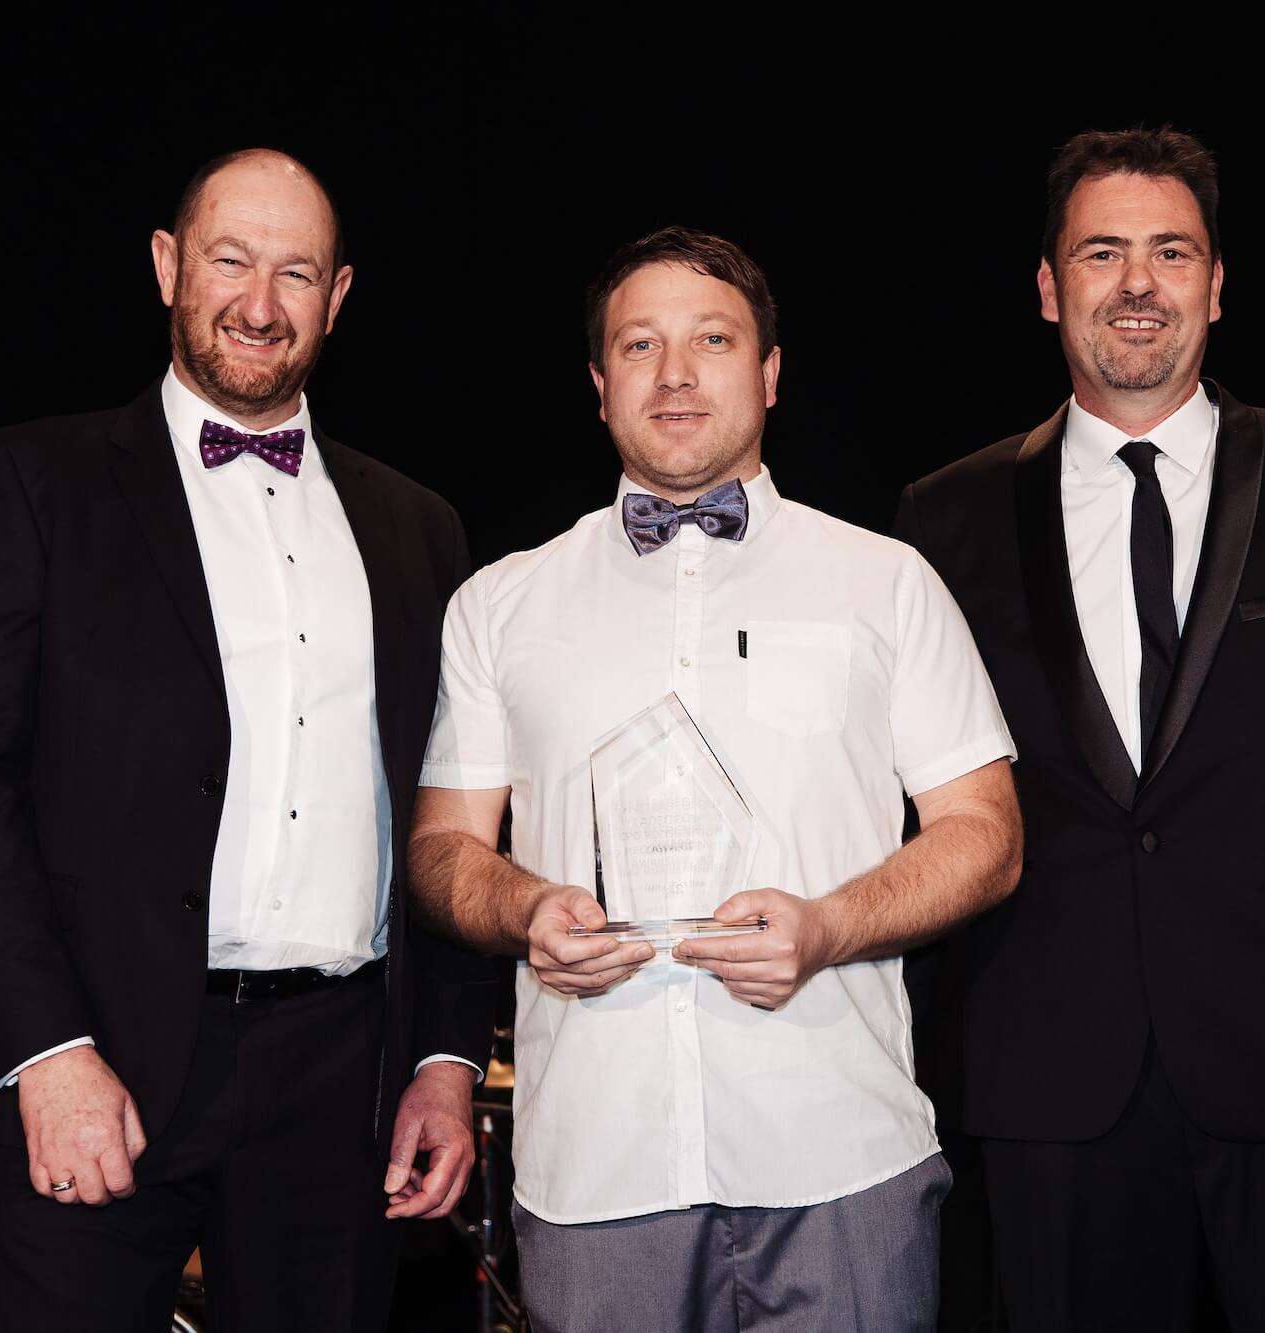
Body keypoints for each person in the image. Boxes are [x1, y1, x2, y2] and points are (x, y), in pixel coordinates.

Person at [895, 127, 1265, 1331]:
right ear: (1047, 287)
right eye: (1100, 252)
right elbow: (902, 810)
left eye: (1170, 252)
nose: (1136, 283)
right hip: (1047, 1080)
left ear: (1215, 285)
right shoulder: (941, 518)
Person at [0, 148, 495, 1333]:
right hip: (96, 1057)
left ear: (337, 296)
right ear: (168, 265)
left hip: (341, 1087)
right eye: (230, 260)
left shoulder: (418, 527)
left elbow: (455, 807)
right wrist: (45, 1049)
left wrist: (444, 1060)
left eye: (295, 272)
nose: (259, 304)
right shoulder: (36, 478)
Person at [406, 226, 1023, 1333]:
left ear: (770, 372)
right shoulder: (499, 603)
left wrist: (827, 928)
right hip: (595, 1170)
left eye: (713, 340)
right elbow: (443, 847)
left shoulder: (885, 582)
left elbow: (985, 831)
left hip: (840, 1155)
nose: (675, 373)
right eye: (639, 345)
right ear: (599, 385)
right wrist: (525, 908)